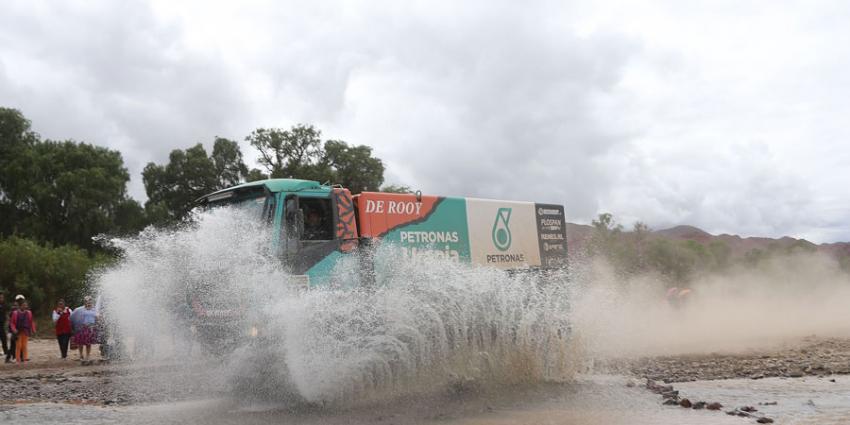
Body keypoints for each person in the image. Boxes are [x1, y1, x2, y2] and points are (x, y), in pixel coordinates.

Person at [71, 296, 99, 363]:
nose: (88, 303)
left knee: (88, 343)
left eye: (90, 301)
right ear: (85, 302)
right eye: (87, 301)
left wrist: (97, 321)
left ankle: (88, 356)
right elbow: (73, 317)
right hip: (82, 328)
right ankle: (81, 355)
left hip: (91, 328)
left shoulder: (94, 309)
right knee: (81, 343)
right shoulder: (80, 309)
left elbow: (97, 318)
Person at [10, 300, 35, 364]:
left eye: (26, 305)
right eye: (24, 305)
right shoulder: (15, 313)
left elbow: (31, 321)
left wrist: (33, 329)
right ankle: (18, 359)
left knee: (24, 345)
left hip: (26, 331)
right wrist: (14, 329)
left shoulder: (29, 313)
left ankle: (25, 358)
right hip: (18, 331)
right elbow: (12, 323)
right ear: (20, 306)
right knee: (18, 345)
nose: (25, 306)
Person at [0, 293, 8, 362]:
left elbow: (5, 314)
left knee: (4, 338)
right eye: (0, 297)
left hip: (2, 324)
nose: (1, 299)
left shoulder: (4, 305)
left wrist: (5, 320)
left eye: (2, 297)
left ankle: (6, 351)